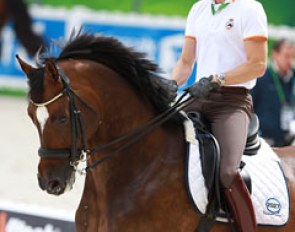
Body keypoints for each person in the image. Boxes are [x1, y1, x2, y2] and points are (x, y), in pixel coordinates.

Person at [171, 0, 268, 231]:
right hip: (199, 96)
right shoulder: (199, 9)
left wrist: (218, 79)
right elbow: (186, 62)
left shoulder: (249, 9)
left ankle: (247, 227)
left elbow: (258, 64)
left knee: (227, 171)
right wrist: (170, 83)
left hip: (232, 102)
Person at [252, 39, 295, 147]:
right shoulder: (261, 77)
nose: (290, 61)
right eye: (286, 56)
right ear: (275, 54)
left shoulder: (292, 77)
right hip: (265, 141)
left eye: (293, 56)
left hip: (288, 140)